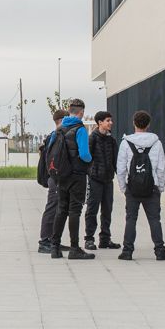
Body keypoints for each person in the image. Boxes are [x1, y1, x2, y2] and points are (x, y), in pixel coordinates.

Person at [116, 110, 165, 260]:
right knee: (154, 219)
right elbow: (161, 168)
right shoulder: (157, 143)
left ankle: (127, 251)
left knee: (131, 219)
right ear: (148, 124)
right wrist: (161, 186)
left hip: (132, 188)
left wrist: (123, 187)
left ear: (134, 123)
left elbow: (121, 169)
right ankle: (160, 251)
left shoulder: (126, 143)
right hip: (152, 188)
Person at [49, 99, 94, 259]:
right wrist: (91, 161)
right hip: (77, 175)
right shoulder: (80, 129)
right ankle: (74, 248)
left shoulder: (59, 129)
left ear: (69, 111)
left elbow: (50, 151)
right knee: (75, 210)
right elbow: (84, 154)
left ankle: (54, 247)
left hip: (61, 176)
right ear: (81, 112)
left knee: (61, 209)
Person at [83, 111, 119, 250]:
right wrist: (91, 172)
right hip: (95, 180)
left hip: (108, 180)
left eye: (111, 120)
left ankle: (105, 239)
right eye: (108, 120)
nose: (111, 123)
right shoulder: (92, 138)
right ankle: (89, 239)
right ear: (100, 123)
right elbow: (86, 159)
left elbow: (115, 162)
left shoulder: (112, 140)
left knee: (107, 210)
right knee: (92, 209)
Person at [36, 109, 66, 252]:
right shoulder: (55, 136)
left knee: (58, 209)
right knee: (52, 207)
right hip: (54, 177)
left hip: (55, 177)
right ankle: (44, 241)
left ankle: (54, 240)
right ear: (61, 120)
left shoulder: (55, 136)